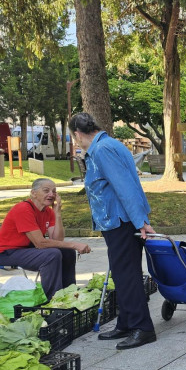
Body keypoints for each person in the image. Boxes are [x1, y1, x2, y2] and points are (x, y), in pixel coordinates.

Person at [70, 113, 156, 350]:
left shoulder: (102, 150)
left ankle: (143, 328)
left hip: (121, 221)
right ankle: (127, 322)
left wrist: (140, 221)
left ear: (77, 134)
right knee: (122, 274)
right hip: (118, 220)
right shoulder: (109, 144)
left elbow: (125, 187)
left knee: (127, 276)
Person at [0, 178, 92, 299]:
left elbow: (57, 240)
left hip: (25, 250)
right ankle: (53, 300)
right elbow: (40, 243)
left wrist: (57, 214)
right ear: (33, 193)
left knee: (67, 252)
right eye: (46, 190)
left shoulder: (48, 212)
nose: (51, 194)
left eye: (54, 191)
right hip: (4, 253)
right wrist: (74, 244)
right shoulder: (23, 209)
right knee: (51, 255)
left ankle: (69, 294)